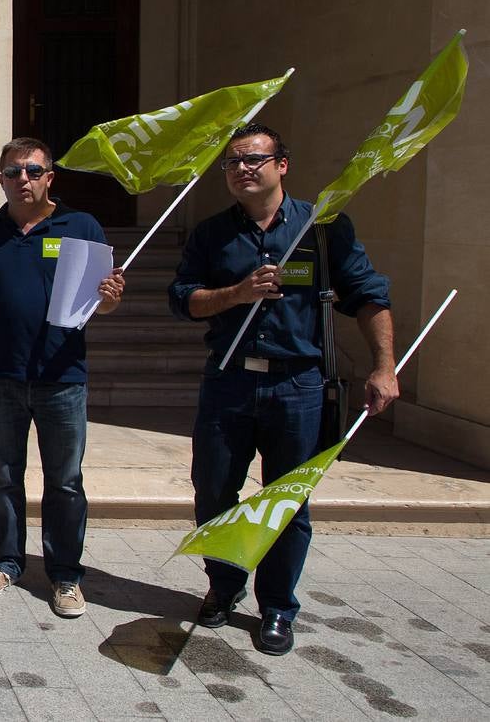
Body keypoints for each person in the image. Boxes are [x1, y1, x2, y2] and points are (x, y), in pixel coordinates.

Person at [169, 122, 396, 656]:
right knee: (215, 493)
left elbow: (367, 296)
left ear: (281, 165)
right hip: (228, 382)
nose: (242, 169)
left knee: (287, 502)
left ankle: (277, 608)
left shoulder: (322, 228)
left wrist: (384, 366)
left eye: (253, 159)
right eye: (232, 162)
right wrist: (237, 293)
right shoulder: (210, 234)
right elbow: (183, 300)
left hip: (298, 385)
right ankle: (222, 589)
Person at [0, 137, 124, 619]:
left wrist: (110, 298)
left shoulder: (80, 225)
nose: (21, 179)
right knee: (1, 478)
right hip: (0, 377)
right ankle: (6, 561)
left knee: (64, 482)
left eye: (31, 170)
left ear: (50, 177)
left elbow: (101, 302)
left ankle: (65, 575)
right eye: (11, 172)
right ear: (1, 178)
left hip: (62, 378)